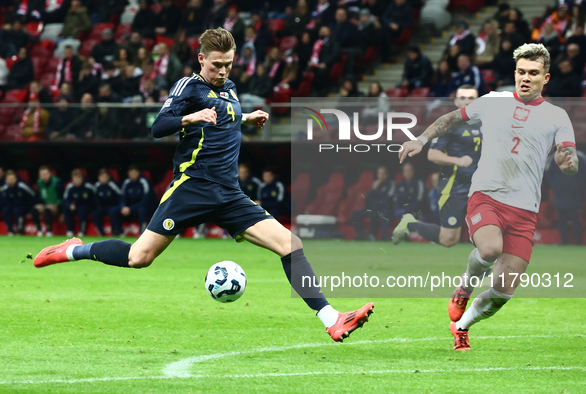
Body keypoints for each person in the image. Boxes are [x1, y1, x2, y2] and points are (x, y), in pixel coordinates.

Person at [34, 27, 374, 343]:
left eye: (228, 64)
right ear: (201, 59)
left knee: (290, 244)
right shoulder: (188, 87)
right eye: (216, 65)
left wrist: (246, 117)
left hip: (228, 193)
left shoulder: (229, 87)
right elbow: (159, 126)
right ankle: (71, 250)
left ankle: (332, 319)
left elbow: (223, 112)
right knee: (139, 258)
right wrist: (190, 117)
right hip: (193, 186)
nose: (222, 71)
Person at [397, 43, 579, 351]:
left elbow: (568, 157)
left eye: (533, 73)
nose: (525, 78)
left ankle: (462, 326)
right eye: (521, 72)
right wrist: (422, 138)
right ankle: (465, 286)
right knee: (491, 248)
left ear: (545, 78)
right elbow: (453, 118)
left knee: (503, 292)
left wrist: (568, 162)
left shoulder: (557, 116)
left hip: (525, 210)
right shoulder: (493, 101)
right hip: (487, 196)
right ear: (515, 73)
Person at [392, 85, 481, 247]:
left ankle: (485, 270)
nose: (467, 101)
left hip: (481, 187)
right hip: (454, 187)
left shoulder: (486, 124)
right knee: (448, 240)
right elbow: (432, 154)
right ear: (456, 101)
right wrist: (457, 160)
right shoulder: (449, 125)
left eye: (471, 98)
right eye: (463, 98)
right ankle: (410, 223)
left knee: (487, 232)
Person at [545, 151, 586, 245]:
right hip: (560, 194)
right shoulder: (555, 156)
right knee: (561, 219)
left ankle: (577, 243)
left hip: (574, 194)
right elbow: (547, 172)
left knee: (575, 219)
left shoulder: (580, 156)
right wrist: (556, 186)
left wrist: (578, 186)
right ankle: (564, 242)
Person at [351, 165, 395, 241]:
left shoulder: (391, 184)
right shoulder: (375, 184)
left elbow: (387, 200)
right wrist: (373, 189)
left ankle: (374, 235)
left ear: (386, 175)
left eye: (382, 173)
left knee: (374, 213)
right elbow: (367, 200)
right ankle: (362, 234)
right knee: (354, 214)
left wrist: (375, 204)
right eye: (379, 173)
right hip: (372, 209)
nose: (380, 176)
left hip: (384, 210)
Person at [110, 165, 156, 236]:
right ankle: (121, 234)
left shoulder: (144, 182)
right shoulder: (127, 182)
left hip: (144, 206)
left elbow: (146, 200)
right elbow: (123, 197)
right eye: (130, 173)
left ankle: (142, 233)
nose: (132, 175)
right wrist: (123, 207)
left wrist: (130, 208)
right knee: (114, 210)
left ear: (138, 173)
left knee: (142, 210)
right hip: (129, 208)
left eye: (134, 173)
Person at [31, 165, 63, 237]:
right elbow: (38, 197)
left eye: (45, 174)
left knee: (48, 209)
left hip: (56, 205)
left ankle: (49, 231)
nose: (43, 177)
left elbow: (62, 197)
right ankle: (39, 230)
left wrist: (61, 210)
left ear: (50, 174)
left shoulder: (57, 182)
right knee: (35, 209)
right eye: (41, 175)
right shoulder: (39, 183)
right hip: (45, 204)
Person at [1, 170, 35, 235]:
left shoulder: (22, 186)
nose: (11, 181)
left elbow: (33, 196)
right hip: (12, 206)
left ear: (16, 179)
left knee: (18, 210)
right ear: (6, 180)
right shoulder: (4, 189)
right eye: (9, 179)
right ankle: (10, 231)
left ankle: (20, 230)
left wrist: (31, 210)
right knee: (5, 210)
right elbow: (3, 202)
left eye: (12, 179)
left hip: (24, 206)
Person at [63, 168, 95, 237]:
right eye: (75, 178)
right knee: (66, 209)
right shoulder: (70, 187)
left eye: (78, 178)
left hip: (87, 206)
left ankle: (81, 231)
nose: (76, 180)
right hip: (75, 206)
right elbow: (65, 199)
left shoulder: (89, 186)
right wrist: (70, 205)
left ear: (82, 178)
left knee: (82, 210)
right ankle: (70, 231)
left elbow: (95, 199)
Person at [92, 168, 122, 236]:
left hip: (113, 206)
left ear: (108, 177)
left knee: (113, 212)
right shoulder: (97, 186)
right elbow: (95, 199)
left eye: (105, 177)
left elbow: (120, 196)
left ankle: (115, 232)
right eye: (102, 177)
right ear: (98, 177)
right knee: (95, 213)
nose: (104, 178)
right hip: (102, 207)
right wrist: (99, 207)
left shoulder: (113, 185)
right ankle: (101, 233)